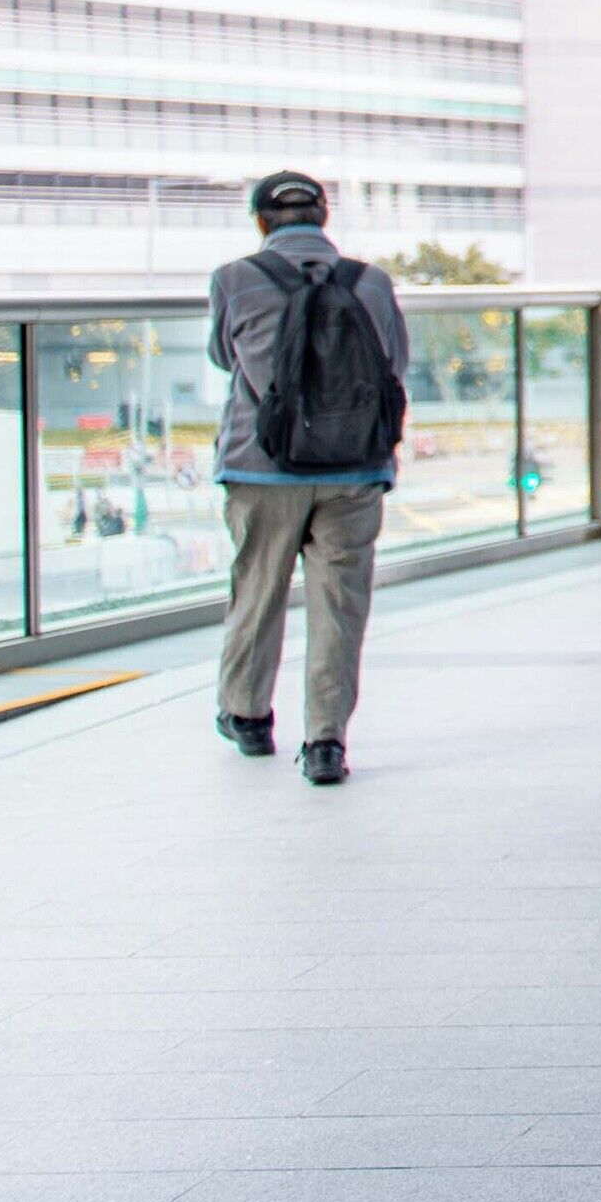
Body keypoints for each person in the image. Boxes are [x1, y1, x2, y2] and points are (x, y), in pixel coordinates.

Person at [205, 169, 407, 787]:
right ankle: (325, 741)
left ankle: (248, 715)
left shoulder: (235, 279)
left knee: (258, 590)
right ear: (324, 219)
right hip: (355, 467)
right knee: (340, 606)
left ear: (261, 221)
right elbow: (394, 362)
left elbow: (222, 356)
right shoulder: (369, 282)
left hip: (260, 466)